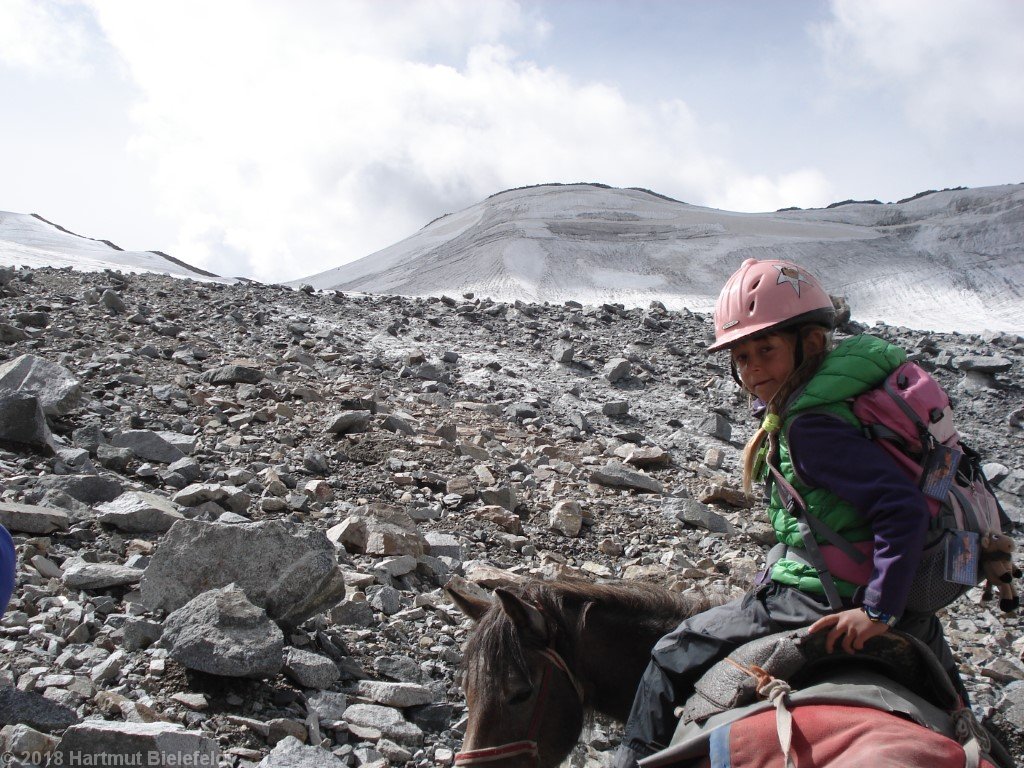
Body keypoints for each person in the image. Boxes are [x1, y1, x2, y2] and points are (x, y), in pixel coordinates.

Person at [613, 257, 969, 767]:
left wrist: (876, 611)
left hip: (823, 596)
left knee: (672, 652)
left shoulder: (811, 427)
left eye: (766, 349)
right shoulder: (841, 399)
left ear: (813, 344)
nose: (753, 368)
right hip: (901, 594)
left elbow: (899, 507)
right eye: (740, 356)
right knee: (956, 708)